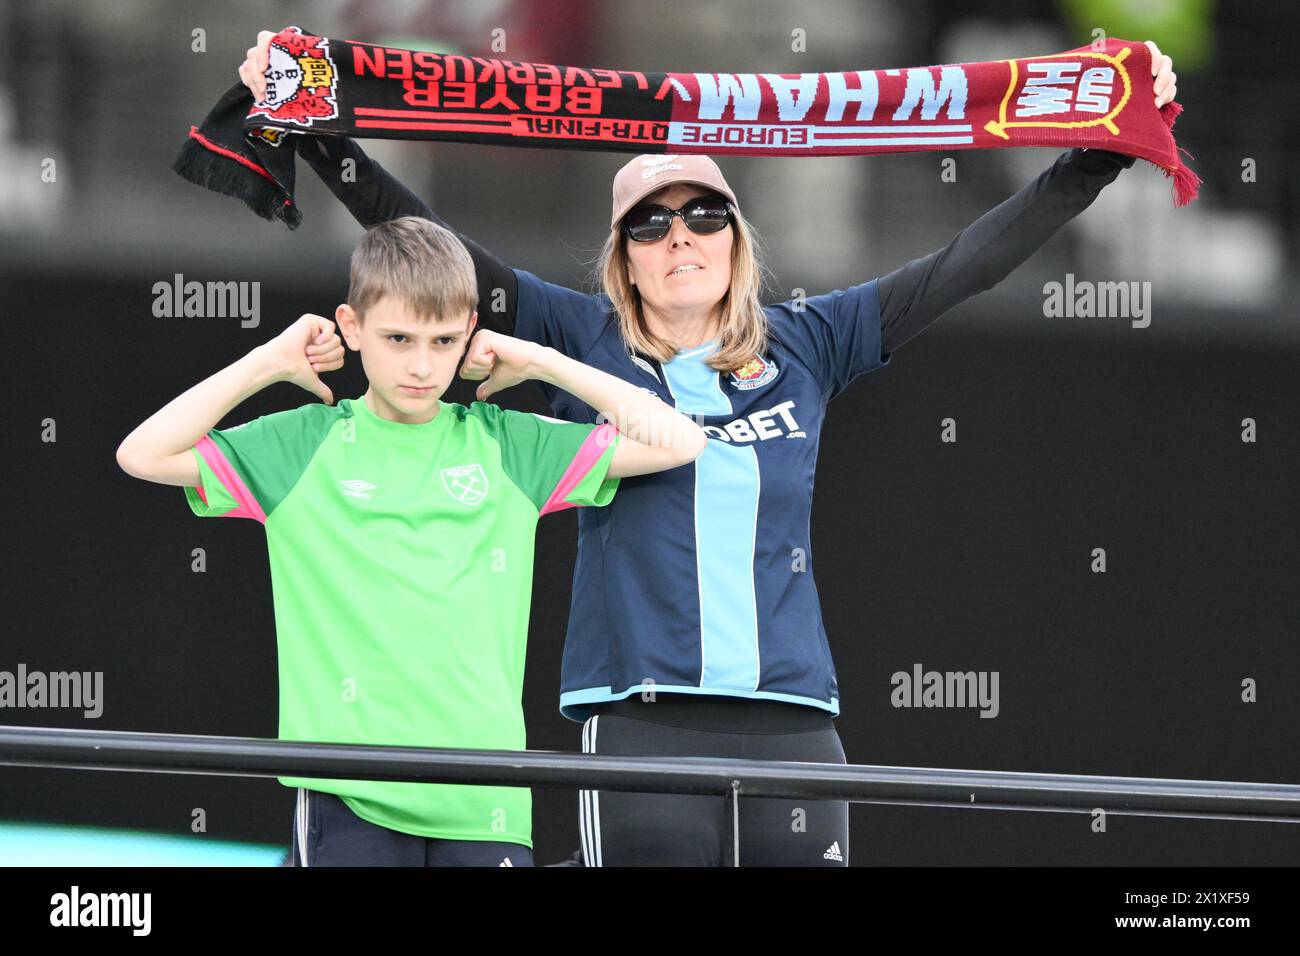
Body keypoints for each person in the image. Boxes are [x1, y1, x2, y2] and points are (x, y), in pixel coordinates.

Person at [238, 34, 1178, 867]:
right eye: (650, 223)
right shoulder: (581, 333)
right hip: (641, 716)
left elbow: (965, 265)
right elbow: (431, 247)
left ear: (736, 238)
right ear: (623, 255)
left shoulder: (809, 339)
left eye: (702, 216)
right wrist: (317, 127)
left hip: (797, 720)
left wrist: (1094, 159)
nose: (678, 237)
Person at [115, 217, 707, 866]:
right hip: (349, 796)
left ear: (471, 334)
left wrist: (541, 359)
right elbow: (142, 453)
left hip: (489, 804)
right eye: (398, 338)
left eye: (444, 340)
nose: (423, 365)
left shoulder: (508, 443)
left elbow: (678, 440)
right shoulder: (301, 444)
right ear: (352, 325)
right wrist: (266, 363)